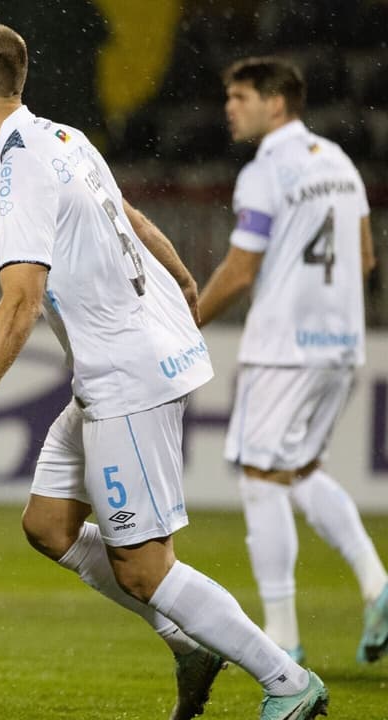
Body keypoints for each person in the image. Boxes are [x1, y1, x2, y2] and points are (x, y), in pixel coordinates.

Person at [0, 23, 328, 720]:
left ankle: (287, 683)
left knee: (144, 566)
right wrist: (183, 279)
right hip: (127, 359)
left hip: (126, 375)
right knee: (48, 525)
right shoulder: (63, 137)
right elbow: (131, 217)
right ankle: (187, 638)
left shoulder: (17, 172)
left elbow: (20, 303)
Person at [198, 55, 388, 666]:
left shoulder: (264, 171)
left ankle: (282, 636)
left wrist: (186, 320)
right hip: (339, 345)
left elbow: (240, 269)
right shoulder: (339, 162)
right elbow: (363, 258)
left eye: (240, 96)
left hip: (282, 350)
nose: (230, 107)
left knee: (260, 479)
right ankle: (378, 586)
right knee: (299, 469)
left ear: (275, 104)